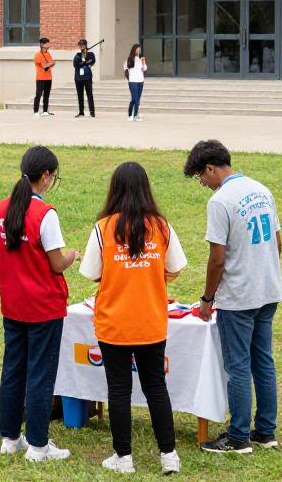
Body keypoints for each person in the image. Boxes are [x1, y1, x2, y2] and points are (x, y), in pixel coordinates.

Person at [79, 162, 187, 475]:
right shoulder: (162, 226)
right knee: (156, 387)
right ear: (146, 189)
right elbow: (176, 267)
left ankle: (123, 458)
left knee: (119, 389)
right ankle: (169, 455)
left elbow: (91, 274)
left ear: (114, 189)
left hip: (114, 324)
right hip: (151, 321)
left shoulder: (103, 228)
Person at [183, 140, 282, 454]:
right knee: (263, 361)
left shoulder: (220, 201)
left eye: (201, 177)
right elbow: (277, 243)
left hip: (239, 297)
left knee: (238, 365)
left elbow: (217, 259)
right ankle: (265, 432)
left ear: (211, 168)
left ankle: (239, 437)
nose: (203, 183)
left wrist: (207, 298)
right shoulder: (261, 189)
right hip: (267, 290)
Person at [0, 146, 77, 462]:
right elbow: (56, 263)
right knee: (40, 374)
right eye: (53, 177)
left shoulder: (1, 209)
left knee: (13, 369)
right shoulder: (45, 214)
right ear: (45, 176)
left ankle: (10, 437)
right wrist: (72, 257)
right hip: (43, 306)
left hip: (13, 303)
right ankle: (38, 445)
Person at [73, 39, 96, 118]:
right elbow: (76, 65)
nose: (81, 47)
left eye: (83, 45)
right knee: (80, 95)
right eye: (80, 45)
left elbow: (92, 61)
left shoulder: (90, 54)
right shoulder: (77, 55)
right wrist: (84, 62)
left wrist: (85, 61)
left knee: (89, 94)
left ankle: (92, 112)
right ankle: (81, 112)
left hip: (87, 77)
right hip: (78, 78)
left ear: (86, 45)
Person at [125, 44, 147, 121]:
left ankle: (135, 115)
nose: (139, 50)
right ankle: (131, 115)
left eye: (140, 49)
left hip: (140, 81)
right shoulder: (130, 59)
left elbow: (144, 68)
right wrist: (129, 78)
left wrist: (143, 63)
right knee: (134, 99)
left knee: (138, 99)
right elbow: (126, 69)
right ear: (134, 50)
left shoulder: (141, 58)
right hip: (133, 81)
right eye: (138, 49)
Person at [33, 38, 54, 117]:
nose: (49, 45)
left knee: (47, 95)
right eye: (47, 43)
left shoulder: (48, 54)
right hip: (40, 78)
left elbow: (53, 63)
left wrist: (50, 63)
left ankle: (45, 111)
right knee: (38, 94)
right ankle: (36, 111)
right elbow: (45, 65)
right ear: (42, 44)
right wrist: (50, 63)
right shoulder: (38, 55)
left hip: (49, 78)